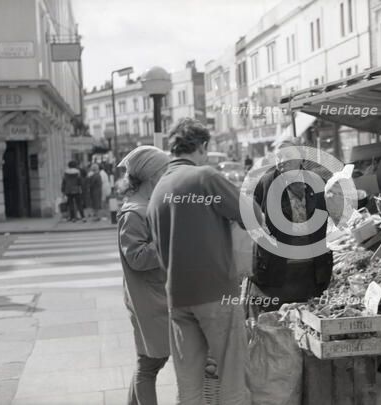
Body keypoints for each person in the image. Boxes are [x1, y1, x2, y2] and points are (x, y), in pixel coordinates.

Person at [147, 117, 258, 405]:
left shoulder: (158, 190)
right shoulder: (204, 177)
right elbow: (252, 215)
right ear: (203, 146)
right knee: (232, 378)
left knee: (189, 387)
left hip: (178, 298)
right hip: (216, 294)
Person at [246, 138, 347, 313]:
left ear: (300, 158)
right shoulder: (265, 183)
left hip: (310, 271)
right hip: (276, 270)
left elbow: (339, 214)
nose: (281, 161)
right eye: (278, 157)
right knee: (276, 320)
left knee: (307, 319)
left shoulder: (318, 183)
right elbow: (249, 219)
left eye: (287, 155)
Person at [117, 146, 171, 405]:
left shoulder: (146, 205)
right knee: (150, 363)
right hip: (147, 300)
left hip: (155, 294)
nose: (167, 175)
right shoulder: (134, 212)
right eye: (164, 170)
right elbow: (136, 258)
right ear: (151, 175)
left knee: (150, 360)